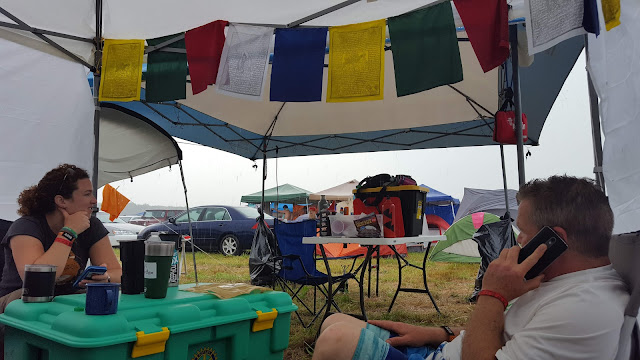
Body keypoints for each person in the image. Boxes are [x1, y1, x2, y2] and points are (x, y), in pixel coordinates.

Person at [312, 175, 629, 360]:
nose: (516, 242)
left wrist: (492, 293)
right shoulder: (563, 279)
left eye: (523, 234)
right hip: (445, 350)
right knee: (335, 320)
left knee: (335, 340)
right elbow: (507, 334)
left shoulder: (584, 309)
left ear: (554, 241)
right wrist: (440, 334)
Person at [0, 164, 122, 316]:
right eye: (87, 194)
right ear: (61, 201)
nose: (94, 200)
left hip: (65, 301)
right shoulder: (26, 227)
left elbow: (117, 272)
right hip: (17, 304)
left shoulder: (91, 225)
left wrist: (105, 278)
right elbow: (37, 281)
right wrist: (68, 232)